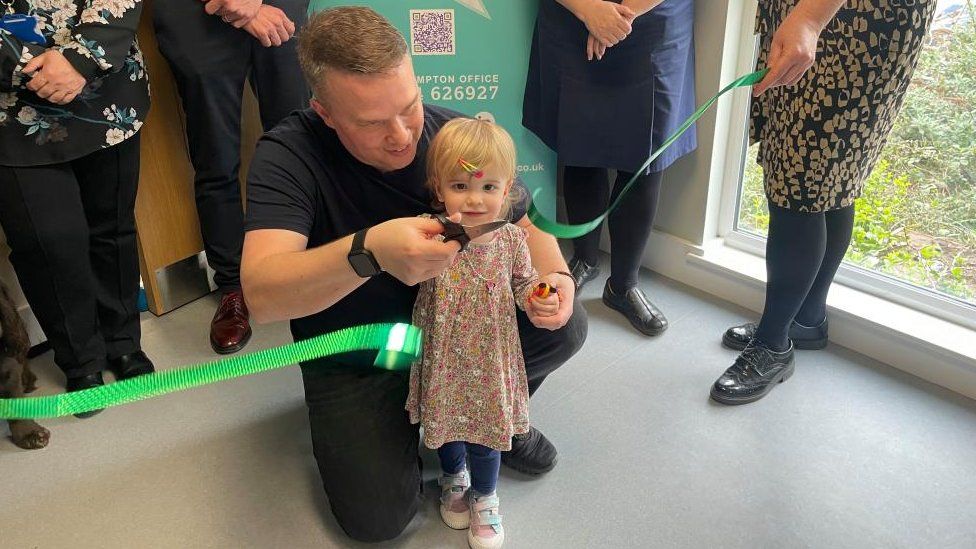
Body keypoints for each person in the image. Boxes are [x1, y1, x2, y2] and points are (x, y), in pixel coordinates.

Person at [241, 7, 586, 542]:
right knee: (377, 521)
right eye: (372, 122)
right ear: (325, 113)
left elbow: (524, 219)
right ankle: (432, 423)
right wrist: (369, 251)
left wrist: (557, 282)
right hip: (366, 353)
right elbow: (262, 295)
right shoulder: (288, 157)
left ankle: (489, 419)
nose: (402, 136)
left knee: (566, 325)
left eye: (409, 106)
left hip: (458, 339)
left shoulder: (452, 138)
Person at [710, 0, 938, 405]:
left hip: (852, 23)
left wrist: (810, 18)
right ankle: (804, 319)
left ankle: (773, 344)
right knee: (831, 176)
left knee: (800, 181)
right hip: (830, 18)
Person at [406, 118, 562, 549]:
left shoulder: (512, 240)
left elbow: (524, 283)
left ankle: (485, 495)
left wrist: (539, 295)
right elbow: (405, 274)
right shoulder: (427, 232)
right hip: (442, 354)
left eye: (488, 188)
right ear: (438, 187)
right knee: (448, 425)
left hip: (490, 359)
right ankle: (454, 479)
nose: (475, 199)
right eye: (460, 186)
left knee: (486, 429)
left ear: (508, 188)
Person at [0, 0, 154, 418]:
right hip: (10, 112)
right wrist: (30, 65)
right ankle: (81, 360)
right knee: (48, 244)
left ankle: (123, 343)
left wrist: (78, 59)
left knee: (112, 227)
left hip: (104, 91)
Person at [523, 0, 697, 336]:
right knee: (579, 143)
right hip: (570, 16)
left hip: (652, 19)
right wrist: (588, 10)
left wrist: (619, 17)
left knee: (646, 158)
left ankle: (623, 285)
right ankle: (585, 258)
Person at [152, 0, 309, 354]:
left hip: (278, 7)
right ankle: (233, 287)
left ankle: (308, 264)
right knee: (216, 161)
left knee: (300, 148)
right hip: (194, 14)